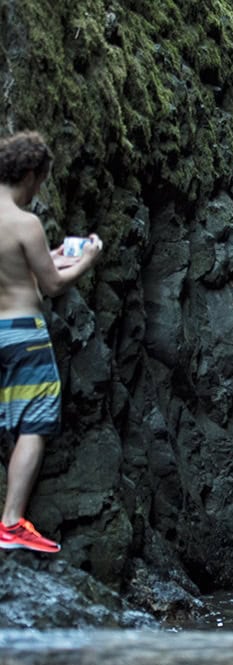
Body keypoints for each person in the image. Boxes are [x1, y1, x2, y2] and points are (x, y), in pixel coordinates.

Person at [0, 131, 103, 553]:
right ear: (28, 173)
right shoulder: (25, 223)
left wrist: (55, 252)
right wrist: (87, 261)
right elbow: (52, 283)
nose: (40, 188)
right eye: (40, 179)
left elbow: (18, 268)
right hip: (24, 332)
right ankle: (10, 523)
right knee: (34, 423)